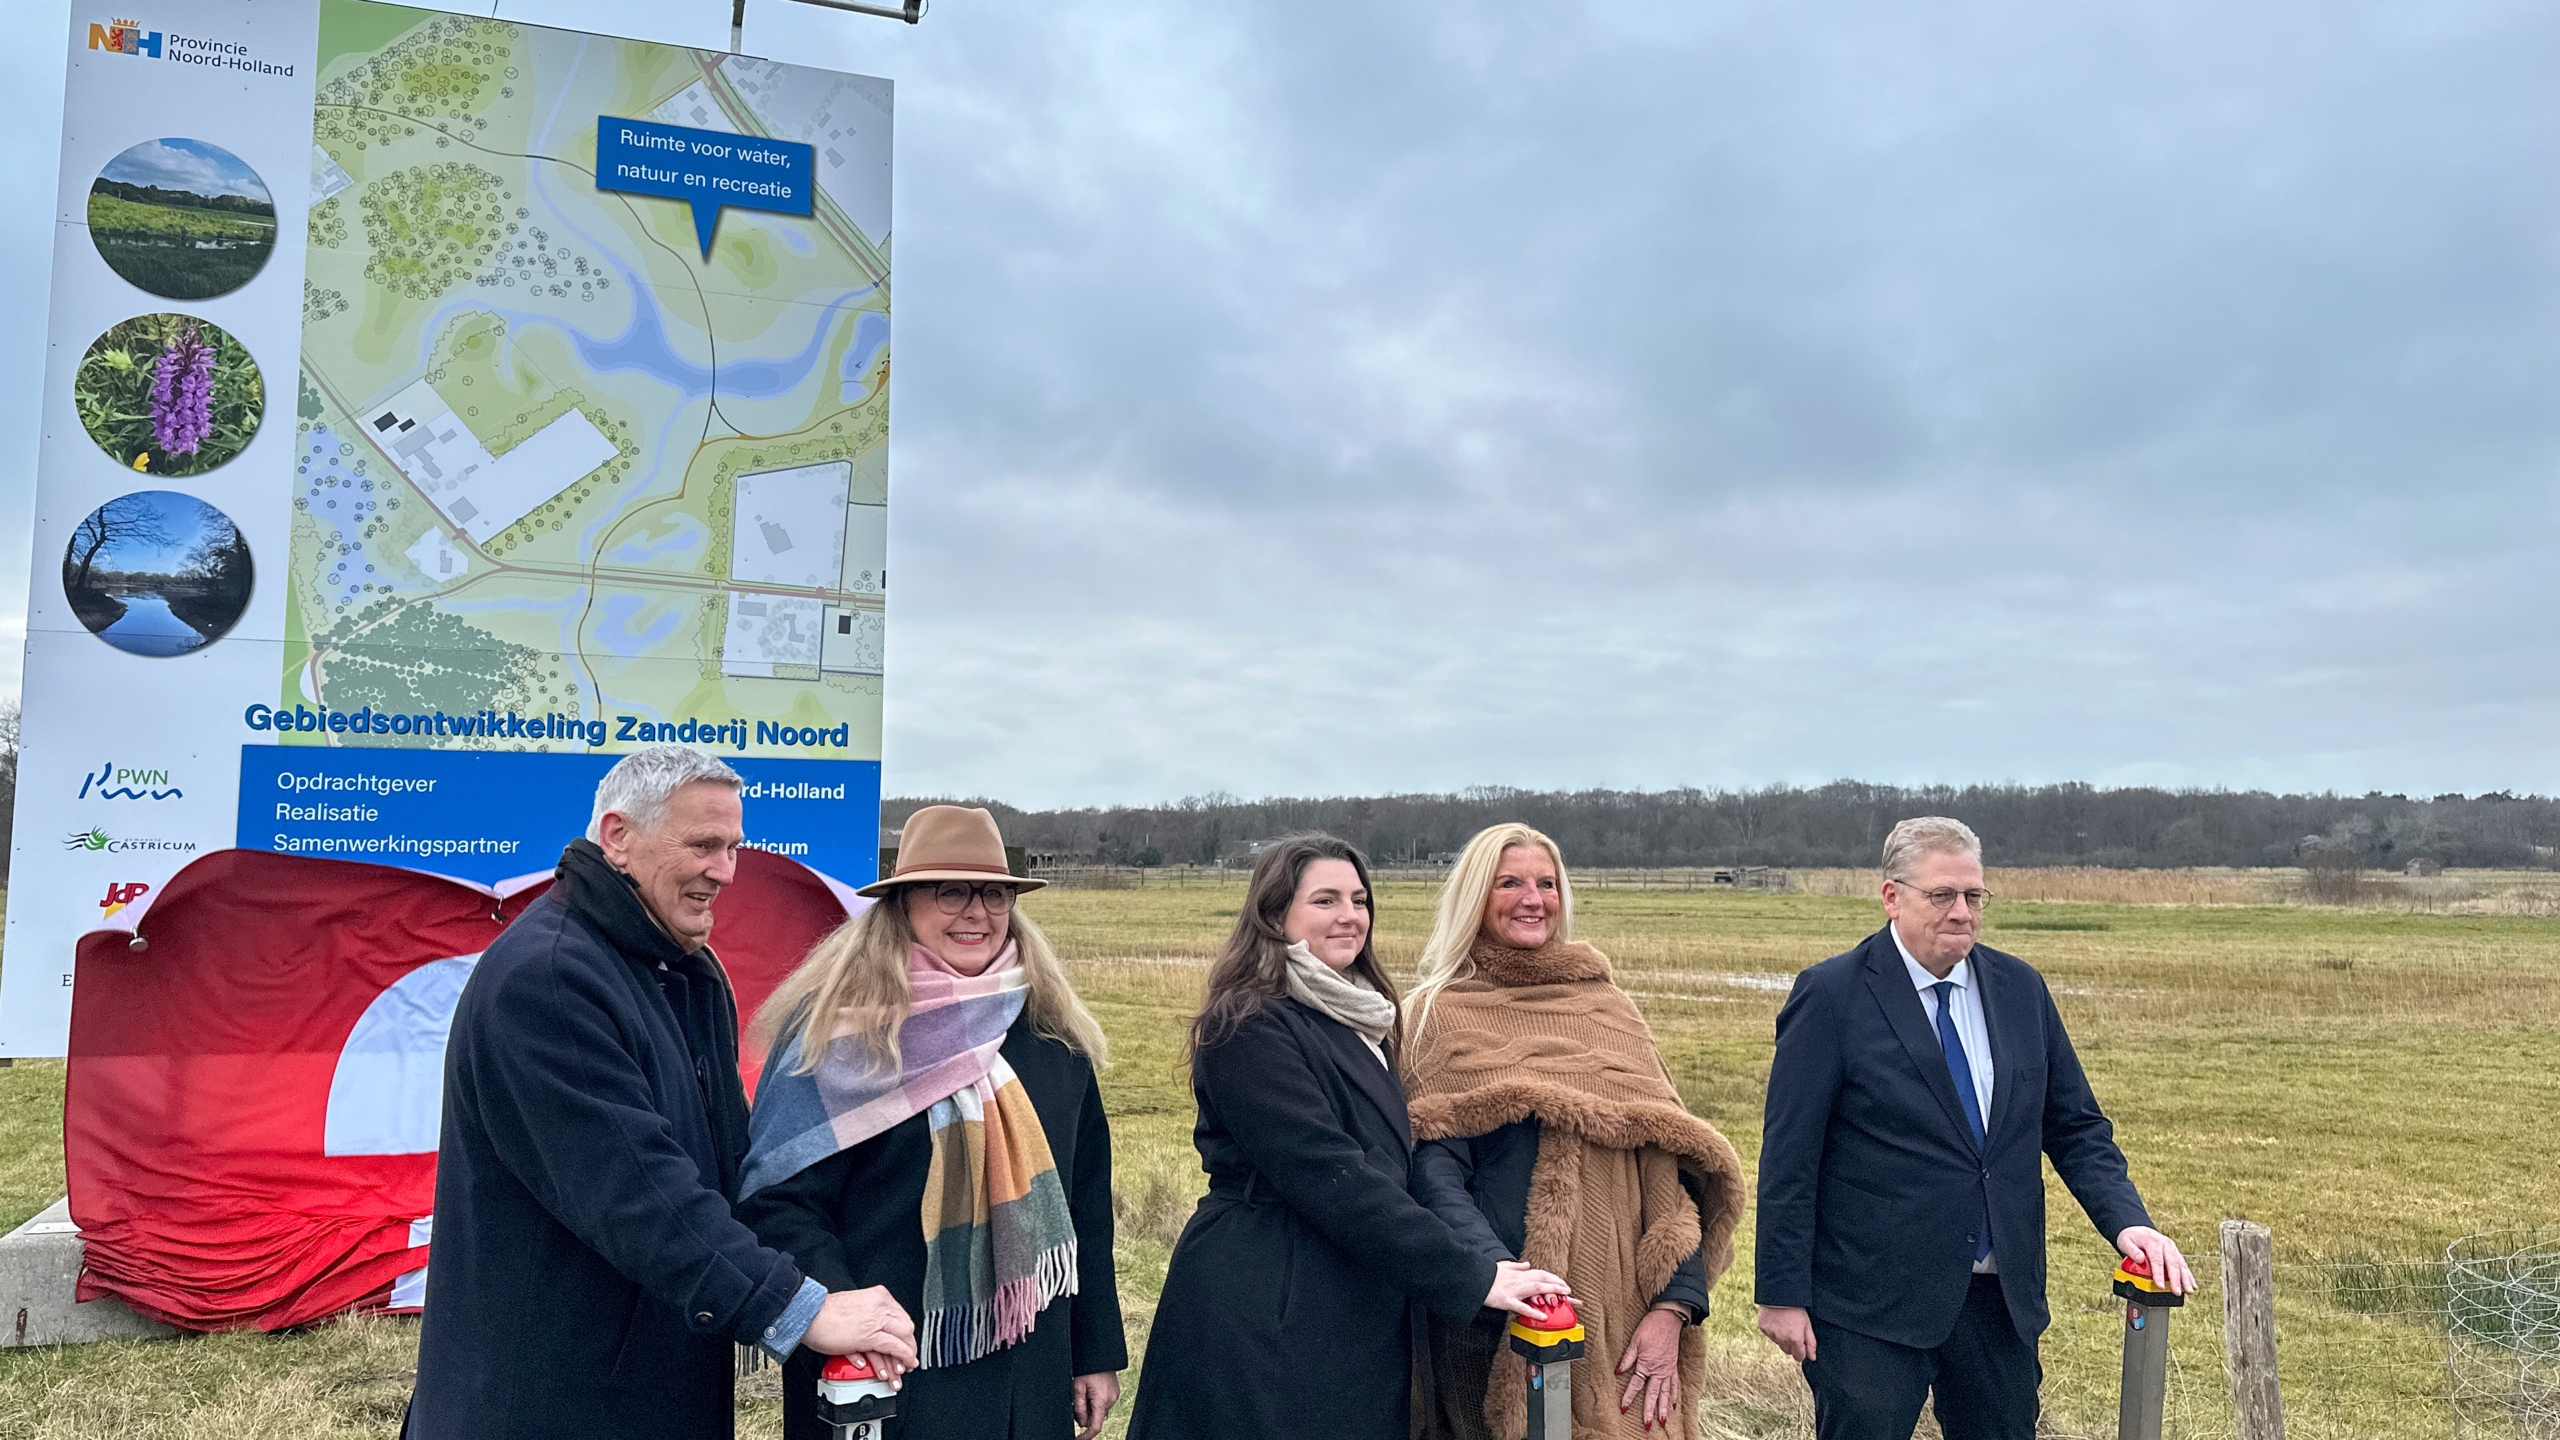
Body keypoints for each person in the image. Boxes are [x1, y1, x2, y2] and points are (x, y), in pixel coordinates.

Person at [406, 745, 912, 1440]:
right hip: (551, 1397)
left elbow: (730, 1167)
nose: (725, 871)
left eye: (733, 847)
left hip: (647, 1376)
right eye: (703, 844)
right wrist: (798, 1307)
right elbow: (641, 1196)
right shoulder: (550, 980)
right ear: (618, 837)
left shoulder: (680, 969)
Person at [1754, 816, 2197, 1440]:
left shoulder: (2020, 989)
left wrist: (2131, 1224)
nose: (1962, 911)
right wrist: (1780, 1292)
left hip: (1997, 1300)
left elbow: (2075, 1127)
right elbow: (1789, 1157)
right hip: (1870, 1305)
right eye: (1942, 896)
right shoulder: (1831, 995)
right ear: (1892, 896)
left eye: (1973, 896)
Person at [1125, 834, 1572, 1440]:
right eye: (1325, 900)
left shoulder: (1360, 1017)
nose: (1349, 916)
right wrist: (1471, 1277)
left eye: (1359, 900)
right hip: (1267, 1300)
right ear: (1275, 915)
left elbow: (1401, 1165)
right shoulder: (1250, 1025)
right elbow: (1331, 1176)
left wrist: (1484, 1254)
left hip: (1349, 1292)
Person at [737, 805, 1126, 1440]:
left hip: (1026, 1373)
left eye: (995, 894)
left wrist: (1095, 1352)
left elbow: (1086, 1204)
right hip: (883, 1374)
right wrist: (839, 1311)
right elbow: (781, 1204)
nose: (977, 911)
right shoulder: (839, 1036)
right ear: (903, 906)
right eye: (951, 891)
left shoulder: (1050, 1039)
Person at [1404, 823, 1748, 1440]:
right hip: (1488, 1322)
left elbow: (1674, 1183)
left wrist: (1674, 1308)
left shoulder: (1610, 1010)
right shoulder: (1436, 1013)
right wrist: (1496, 1278)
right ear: (1475, 896)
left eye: (1546, 883)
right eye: (1508, 883)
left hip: (1624, 1322)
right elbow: (1433, 1173)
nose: (1532, 898)